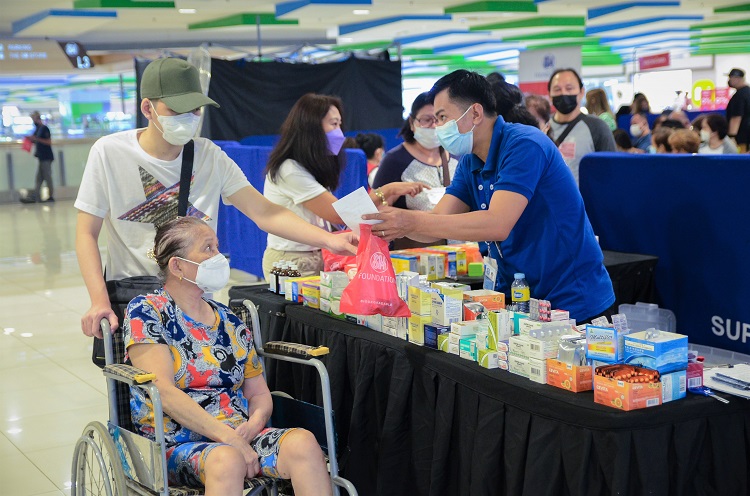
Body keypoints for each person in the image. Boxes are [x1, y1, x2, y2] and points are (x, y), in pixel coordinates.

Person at [75, 58, 357, 339]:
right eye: (176, 109)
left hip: (199, 300)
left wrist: (329, 240)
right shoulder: (109, 153)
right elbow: (87, 233)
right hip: (136, 300)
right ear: (148, 108)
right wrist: (99, 299)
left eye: (195, 109)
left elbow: (265, 212)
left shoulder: (209, 156)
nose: (189, 117)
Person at [362, 70, 615, 324]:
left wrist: (411, 221)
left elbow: (497, 224)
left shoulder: (524, 145)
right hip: (521, 300)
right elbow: (435, 223)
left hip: (573, 300)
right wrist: (387, 226)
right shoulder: (470, 162)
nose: (438, 129)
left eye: (442, 118)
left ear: (475, 113)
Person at [124, 217, 332, 496]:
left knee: (304, 443)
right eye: (208, 249)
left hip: (238, 435)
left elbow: (259, 394)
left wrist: (252, 426)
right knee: (227, 460)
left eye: (218, 247)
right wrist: (228, 439)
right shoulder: (148, 311)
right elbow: (164, 392)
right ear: (177, 266)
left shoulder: (229, 320)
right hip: (174, 443)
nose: (218, 257)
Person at [262, 93, 423, 279]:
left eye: (339, 124)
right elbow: (338, 213)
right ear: (311, 128)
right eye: (333, 124)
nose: (339, 132)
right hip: (292, 261)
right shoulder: (289, 170)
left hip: (315, 254)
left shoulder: (308, 167)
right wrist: (387, 191)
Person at [373, 93, 457, 213]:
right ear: (412, 123)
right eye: (426, 120)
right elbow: (377, 208)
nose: (433, 125)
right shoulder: (394, 160)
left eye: (440, 118)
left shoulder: (456, 154)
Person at [547, 68, 616, 185]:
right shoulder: (543, 128)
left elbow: (611, 169)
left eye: (569, 88)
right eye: (557, 89)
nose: (563, 93)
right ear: (549, 95)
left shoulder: (597, 127)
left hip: (585, 201)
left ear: (581, 92)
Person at [23, 111, 55, 203]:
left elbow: (48, 141)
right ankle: (36, 196)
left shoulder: (44, 129)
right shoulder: (38, 129)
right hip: (41, 157)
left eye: (33, 119)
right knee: (39, 178)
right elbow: (36, 139)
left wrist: (36, 139)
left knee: (47, 176)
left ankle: (51, 196)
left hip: (46, 157)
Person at [725, 68, 750, 152]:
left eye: (730, 78)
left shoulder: (739, 96)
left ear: (737, 78)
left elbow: (736, 118)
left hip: (741, 138)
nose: (729, 81)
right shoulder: (747, 92)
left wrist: (732, 137)